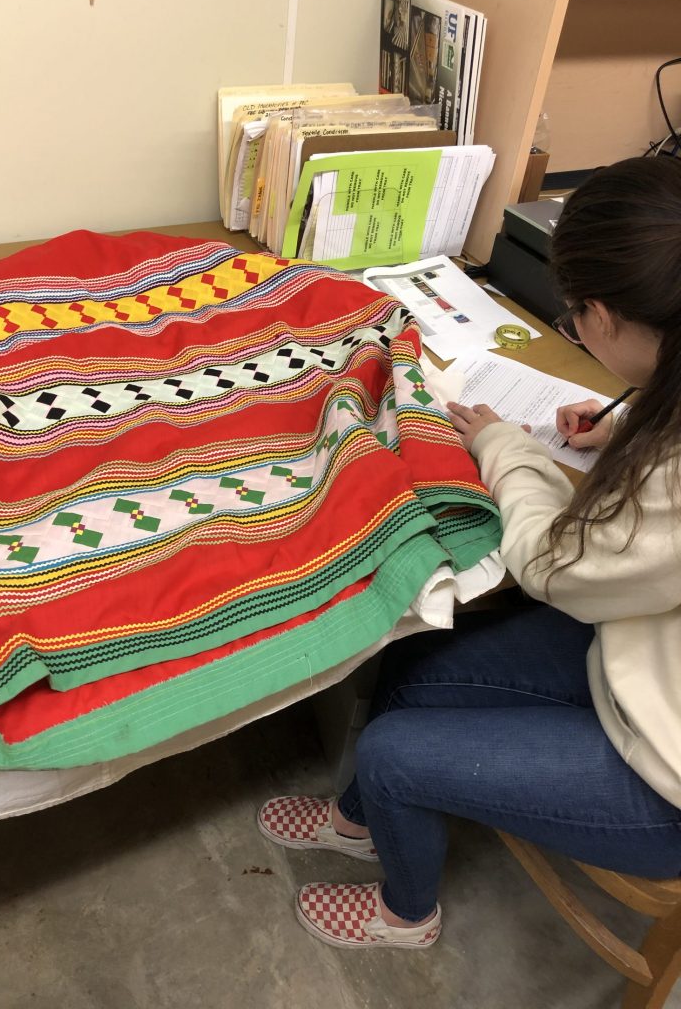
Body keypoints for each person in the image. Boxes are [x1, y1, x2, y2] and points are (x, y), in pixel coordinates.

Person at [256, 156, 681, 950]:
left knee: (390, 752)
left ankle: (404, 916)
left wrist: (502, 447)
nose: (572, 326)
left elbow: (556, 566)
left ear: (609, 318)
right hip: (645, 654)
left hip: (665, 775)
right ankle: (359, 822)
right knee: (423, 660)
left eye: (574, 313)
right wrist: (626, 424)